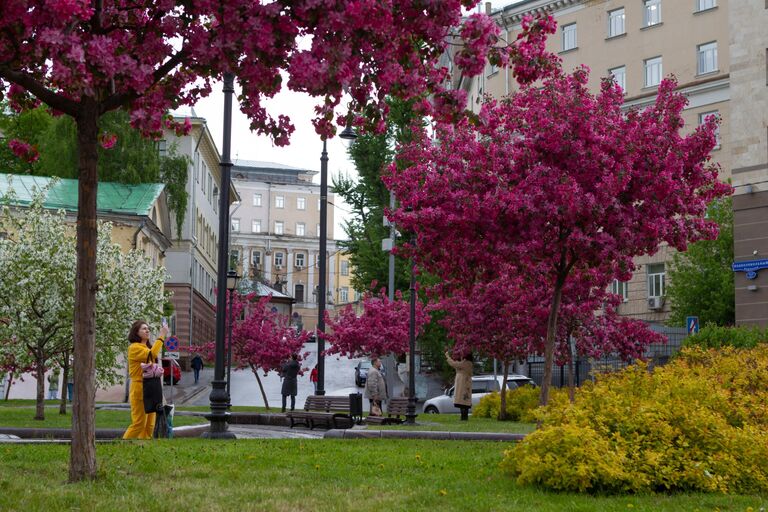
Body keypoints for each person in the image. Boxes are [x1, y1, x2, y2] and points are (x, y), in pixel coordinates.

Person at [123, 319, 168, 440]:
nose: (147, 330)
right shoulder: (134, 347)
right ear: (136, 332)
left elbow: (152, 353)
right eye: (144, 328)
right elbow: (152, 354)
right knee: (139, 423)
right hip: (139, 387)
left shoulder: (145, 347)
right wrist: (162, 335)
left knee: (150, 425)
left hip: (151, 387)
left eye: (148, 328)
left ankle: (143, 447)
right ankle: (121, 446)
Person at [446, 350, 473, 421]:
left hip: (464, 383)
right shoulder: (465, 362)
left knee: (464, 401)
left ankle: (464, 418)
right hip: (462, 383)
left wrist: (448, 357)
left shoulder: (467, 363)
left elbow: (455, 364)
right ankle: (463, 417)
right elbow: (457, 365)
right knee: (462, 401)